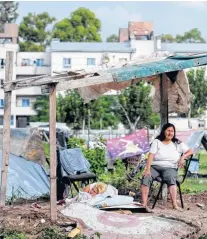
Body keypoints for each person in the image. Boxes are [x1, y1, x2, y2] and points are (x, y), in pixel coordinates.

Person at [141, 123, 193, 211]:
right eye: (168, 130)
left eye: (172, 131)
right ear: (163, 131)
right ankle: (144, 204)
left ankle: (175, 205)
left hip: (170, 167)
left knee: (171, 178)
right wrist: (147, 169)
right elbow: (151, 155)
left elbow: (190, 151)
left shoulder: (177, 143)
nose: (170, 133)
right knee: (146, 177)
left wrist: (183, 157)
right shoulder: (157, 142)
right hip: (155, 166)